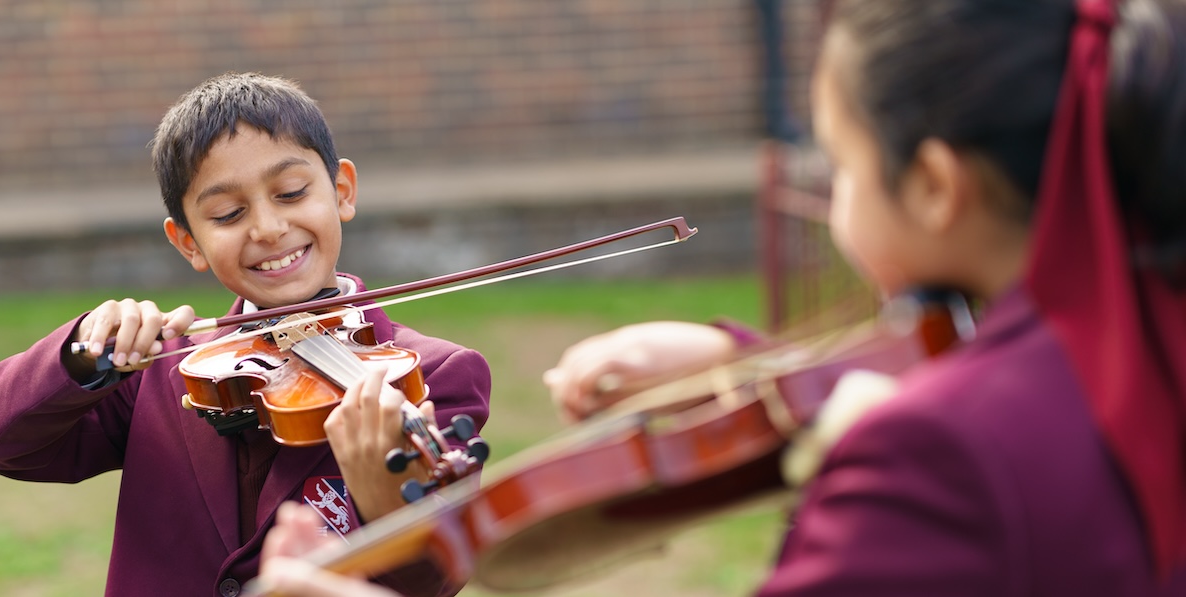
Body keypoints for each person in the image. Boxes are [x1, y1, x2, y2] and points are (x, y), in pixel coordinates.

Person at [257, 0, 1186, 594]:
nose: (833, 192)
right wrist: (744, 363)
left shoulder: (934, 455)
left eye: (843, 162)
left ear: (938, 187)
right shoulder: (1141, 333)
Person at [0, 72, 491, 597]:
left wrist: (387, 502)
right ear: (189, 243)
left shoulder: (426, 375)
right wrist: (83, 352)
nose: (266, 228)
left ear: (342, 192)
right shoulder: (166, 365)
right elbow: (5, 445)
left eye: (290, 193)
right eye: (228, 214)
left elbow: (436, 578)